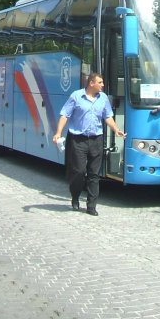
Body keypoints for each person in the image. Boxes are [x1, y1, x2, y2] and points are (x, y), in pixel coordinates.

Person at [52, 72, 126, 216]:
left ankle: (91, 206)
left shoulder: (103, 98)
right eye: (100, 82)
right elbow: (64, 114)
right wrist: (58, 133)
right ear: (91, 83)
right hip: (77, 139)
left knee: (94, 174)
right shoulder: (76, 96)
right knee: (78, 172)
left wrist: (116, 129)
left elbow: (108, 116)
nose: (103, 85)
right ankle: (75, 196)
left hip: (96, 139)